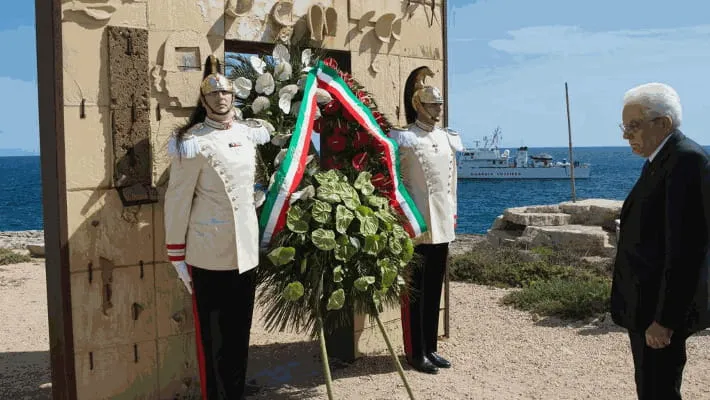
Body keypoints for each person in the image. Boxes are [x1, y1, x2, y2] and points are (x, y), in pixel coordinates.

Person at [163, 55, 270, 400]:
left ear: (234, 96)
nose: (221, 98)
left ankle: (234, 392)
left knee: (239, 335)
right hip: (208, 253)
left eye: (226, 93)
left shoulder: (248, 134)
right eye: (213, 94)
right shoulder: (193, 141)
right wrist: (176, 254)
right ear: (203, 99)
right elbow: (177, 200)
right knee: (213, 339)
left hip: (245, 253)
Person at [611, 82, 710, 400]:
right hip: (646, 306)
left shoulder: (686, 161)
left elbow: (686, 249)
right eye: (624, 127)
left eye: (634, 126)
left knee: (660, 391)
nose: (626, 136)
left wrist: (665, 320)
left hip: (658, 311)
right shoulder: (662, 159)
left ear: (663, 123)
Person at [389, 66, 463, 374]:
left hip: (442, 224)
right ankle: (415, 351)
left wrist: (453, 214)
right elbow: (394, 182)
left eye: (439, 104)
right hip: (416, 224)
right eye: (432, 105)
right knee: (415, 291)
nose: (438, 110)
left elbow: (452, 183)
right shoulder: (404, 138)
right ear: (418, 105)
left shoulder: (448, 138)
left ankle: (431, 347)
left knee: (434, 288)